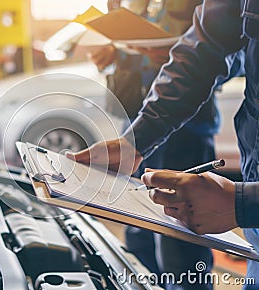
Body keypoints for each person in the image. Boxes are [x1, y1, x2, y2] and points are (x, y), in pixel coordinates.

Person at [70, 0, 257, 287]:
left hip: (187, 132)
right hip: (155, 125)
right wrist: (136, 140)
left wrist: (244, 203)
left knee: (180, 252)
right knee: (141, 239)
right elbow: (206, 47)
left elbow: (229, 57)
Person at [89, 1, 217, 289]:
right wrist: (118, 55)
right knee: (139, 233)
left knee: (178, 241)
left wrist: (167, 53)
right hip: (139, 127)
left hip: (184, 132)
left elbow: (218, 54)